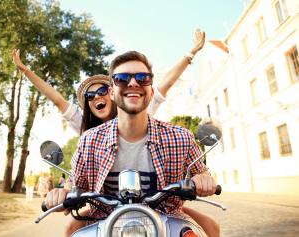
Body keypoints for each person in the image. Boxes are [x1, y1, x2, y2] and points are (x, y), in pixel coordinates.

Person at [45, 51, 220, 237]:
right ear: (112, 92)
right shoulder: (89, 140)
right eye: (122, 78)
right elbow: (75, 183)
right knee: (72, 231)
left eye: (143, 78)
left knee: (207, 230)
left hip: (166, 221)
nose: (133, 83)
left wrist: (203, 179)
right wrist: (62, 193)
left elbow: (201, 172)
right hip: (105, 223)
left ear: (151, 91)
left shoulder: (181, 137)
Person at [12, 29, 206, 134]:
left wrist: (191, 53)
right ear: (88, 104)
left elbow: (165, 84)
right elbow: (57, 99)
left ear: (113, 93)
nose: (97, 96)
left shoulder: (135, 110)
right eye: (90, 95)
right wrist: (26, 71)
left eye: (102, 90)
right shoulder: (85, 128)